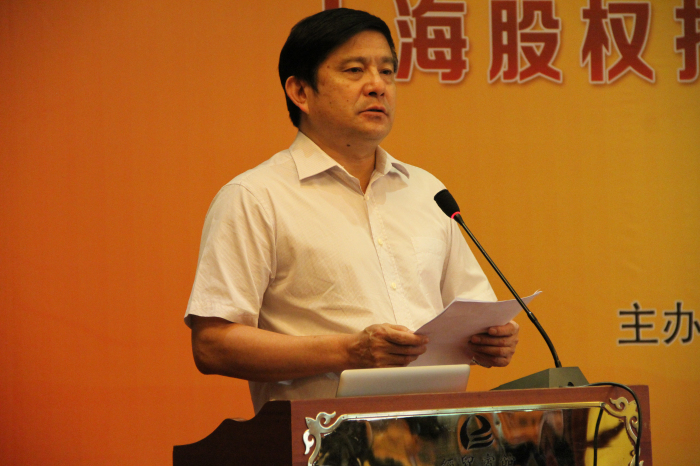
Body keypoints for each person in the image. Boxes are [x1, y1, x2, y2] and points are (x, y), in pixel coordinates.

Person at [185, 8, 519, 413]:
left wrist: (493, 339)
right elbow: (212, 344)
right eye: (355, 70)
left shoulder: (427, 192)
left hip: (434, 431)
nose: (378, 86)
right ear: (300, 92)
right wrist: (349, 352)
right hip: (321, 436)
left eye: (387, 71)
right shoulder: (256, 197)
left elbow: (473, 312)